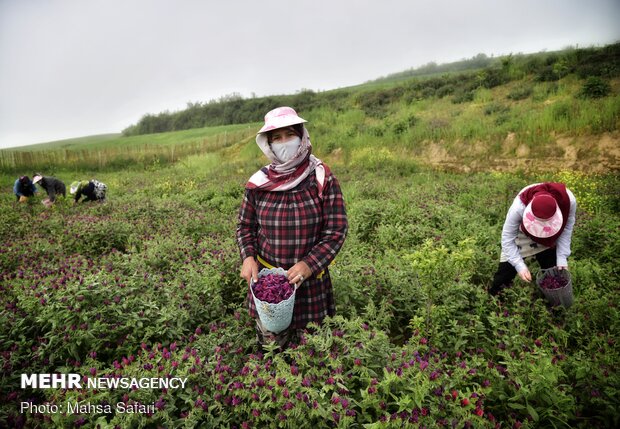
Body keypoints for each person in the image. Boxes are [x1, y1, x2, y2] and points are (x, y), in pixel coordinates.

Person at [236, 106, 348, 348]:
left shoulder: (321, 177)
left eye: (290, 135)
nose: (284, 143)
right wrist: (247, 258)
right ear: (268, 143)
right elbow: (245, 226)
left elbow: (336, 231)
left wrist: (309, 264)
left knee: (313, 349)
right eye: (277, 138)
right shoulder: (258, 183)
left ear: (302, 136)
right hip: (269, 286)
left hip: (311, 284)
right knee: (273, 348)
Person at [489, 182, 577, 296]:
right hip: (521, 235)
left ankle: (554, 306)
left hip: (550, 236)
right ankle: (495, 300)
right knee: (503, 276)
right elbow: (507, 239)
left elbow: (567, 228)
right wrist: (519, 265)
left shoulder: (568, 201)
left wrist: (562, 257)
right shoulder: (519, 207)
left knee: (554, 274)